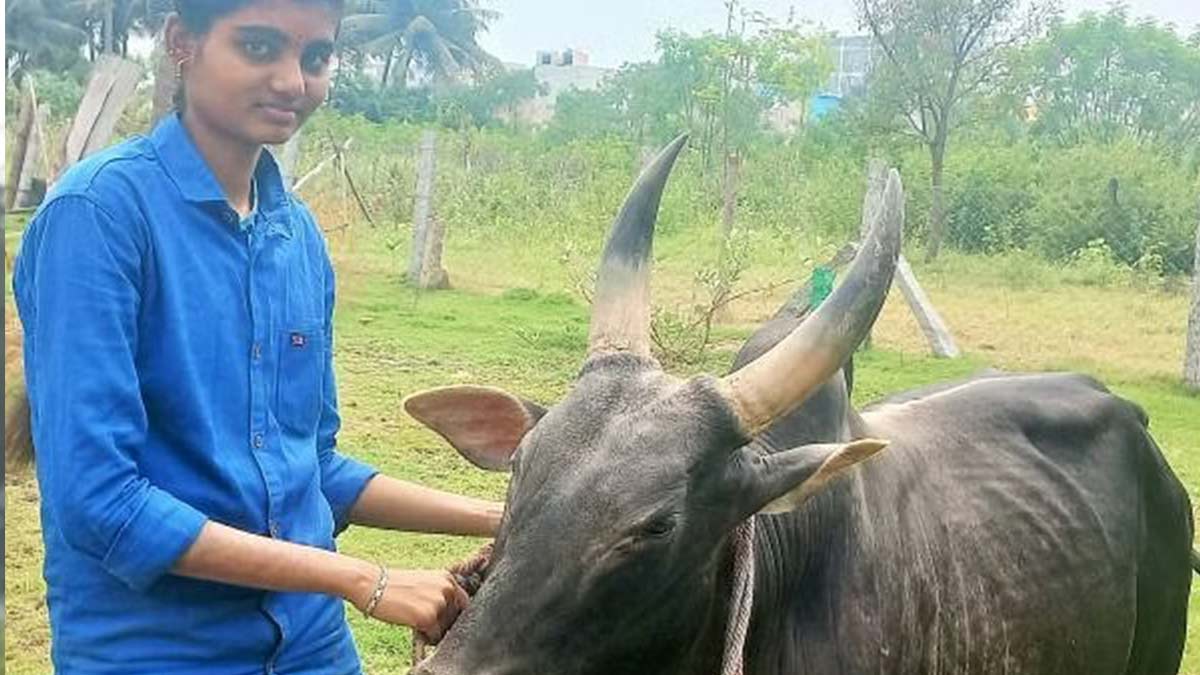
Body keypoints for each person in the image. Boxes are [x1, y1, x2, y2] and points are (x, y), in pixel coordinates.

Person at [8, 0, 501, 672]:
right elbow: (102, 504)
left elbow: (311, 470)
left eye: (316, 57)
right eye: (261, 47)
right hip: (159, 649)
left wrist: (508, 516)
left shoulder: (297, 237)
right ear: (183, 43)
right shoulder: (98, 217)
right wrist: (365, 578)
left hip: (310, 644)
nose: (293, 81)